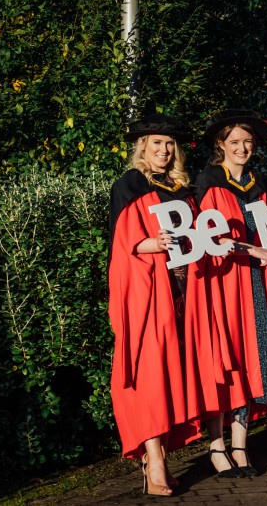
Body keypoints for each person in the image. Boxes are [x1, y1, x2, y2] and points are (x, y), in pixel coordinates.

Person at [192, 110, 267, 476]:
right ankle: (217, 446)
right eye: (234, 142)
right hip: (223, 284)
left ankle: (240, 444)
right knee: (227, 358)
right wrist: (252, 251)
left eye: (247, 142)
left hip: (256, 285)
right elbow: (208, 237)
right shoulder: (209, 181)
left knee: (255, 357)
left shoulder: (257, 182)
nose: (242, 148)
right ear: (221, 145)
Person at [108, 114, 201, 495]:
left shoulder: (183, 188)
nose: (163, 150)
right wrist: (154, 244)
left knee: (174, 371)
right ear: (142, 147)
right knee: (149, 371)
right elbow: (123, 245)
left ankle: (163, 451)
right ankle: (154, 457)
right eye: (156, 143)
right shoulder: (129, 185)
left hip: (184, 292)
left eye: (169, 144)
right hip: (150, 292)